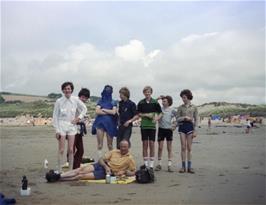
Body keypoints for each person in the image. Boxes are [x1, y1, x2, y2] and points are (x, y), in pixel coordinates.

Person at [46, 140, 136, 182]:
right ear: (119, 146)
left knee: (80, 176)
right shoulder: (114, 151)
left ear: (129, 147)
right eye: (121, 146)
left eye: (125, 147)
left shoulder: (129, 158)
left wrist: (124, 172)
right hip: (102, 165)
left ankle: (59, 179)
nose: (123, 148)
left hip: (108, 173)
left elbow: (133, 171)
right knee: (79, 170)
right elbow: (101, 159)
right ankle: (58, 175)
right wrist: (106, 166)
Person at [52, 82, 87, 172]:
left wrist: (78, 118)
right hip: (61, 126)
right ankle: (59, 170)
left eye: (69, 89)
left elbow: (84, 109)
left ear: (71, 90)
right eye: (65, 89)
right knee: (61, 149)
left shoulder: (75, 99)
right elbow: (55, 116)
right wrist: (57, 130)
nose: (67, 90)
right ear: (63, 90)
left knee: (71, 150)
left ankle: (71, 170)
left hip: (72, 126)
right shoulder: (59, 101)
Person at [137, 86, 162, 169]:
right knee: (145, 145)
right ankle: (146, 164)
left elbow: (160, 113)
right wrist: (147, 115)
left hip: (152, 127)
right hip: (144, 126)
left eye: (149, 92)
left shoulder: (155, 102)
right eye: (146, 92)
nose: (147, 93)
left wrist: (156, 118)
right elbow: (138, 114)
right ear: (144, 93)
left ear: (151, 92)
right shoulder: (141, 102)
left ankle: (151, 165)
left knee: (151, 144)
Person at [92, 85, 118, 159]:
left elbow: (114, 112)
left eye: (109, 90)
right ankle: (100, 160)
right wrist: (109, 112)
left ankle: (111, 160)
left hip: (110, 124)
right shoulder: (100, 101)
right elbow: (97, 111)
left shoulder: (113, 101)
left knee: (110, 145)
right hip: (100, 124)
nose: (107, 92)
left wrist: (103, 109)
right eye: (106, 90)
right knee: (100, 145)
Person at [176, 89, 198, 174]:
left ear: (188, 97)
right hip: (182, 127)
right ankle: (183, 167)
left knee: (189, 147)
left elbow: (196, 119)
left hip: (190, 127)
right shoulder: (180, 107)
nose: (183, 99)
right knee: (183, 147)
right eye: (182, 97)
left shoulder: (194, 107)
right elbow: (177, 118)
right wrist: (184, 117)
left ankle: (189, 167)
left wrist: (195, 130)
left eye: (184, 97)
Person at [155, 95, 177, 172]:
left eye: (164, 101)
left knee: (169, 148)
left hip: (169, 130)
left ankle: (169, 165)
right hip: (161, 129)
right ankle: (159, 164)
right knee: (160, 147)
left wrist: (175, 126)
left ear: (168, 102)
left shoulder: (172, 110)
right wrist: (158, 98)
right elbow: (153, 104)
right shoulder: (159, 109)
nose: (163, 102)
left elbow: (178, 117)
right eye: (162, 101)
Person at [72, 88, 90, 169]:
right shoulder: (74, 102)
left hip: (79, 129)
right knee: (71, 149)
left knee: (80, 150)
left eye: (86, 98)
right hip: (72, 129)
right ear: (79, 96)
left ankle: (76, 166)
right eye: (82, 97)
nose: (84, 99)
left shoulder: (82, 105)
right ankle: (73, 165)